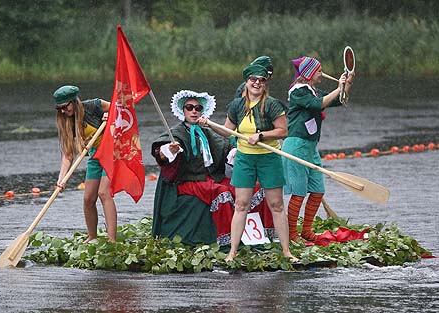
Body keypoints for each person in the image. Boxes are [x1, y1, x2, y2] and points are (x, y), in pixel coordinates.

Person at [151, 90, 275, 247]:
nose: (194, 111)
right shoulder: (176, 133)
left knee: (255, 187)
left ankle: (264, 236)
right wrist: (169, 150)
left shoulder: (207, 131)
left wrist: (238, 152)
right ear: (183, 110)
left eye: (198, 108)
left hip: (212, 177)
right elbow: (160, 154)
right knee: (221, 193)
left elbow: (226, 148)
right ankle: (227, 242)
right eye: (189, 107)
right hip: (189, 180)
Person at [202, 65, 297, 262]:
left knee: (276, 204)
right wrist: (210, 125)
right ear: (247, 82)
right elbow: (227, 132)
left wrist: (261, 136)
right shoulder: (237, 106)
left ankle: (287, 251)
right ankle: (232, 252)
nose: (257, 83)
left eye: (261, 80)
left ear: (265, 84)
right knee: (241, 204)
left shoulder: (272, 105)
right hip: (245, 159)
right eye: (253, 79)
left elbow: (283, 131)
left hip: (268, 158)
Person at [283, 56, 354, 242]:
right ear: (308, 73)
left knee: (317, 190)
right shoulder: (298, 92)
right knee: (298, 193)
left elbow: (338, 100)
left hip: (310, 147)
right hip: (296, 145)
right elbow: (319, 104)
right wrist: (338, 87)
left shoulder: (312, 90)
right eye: (319, 71)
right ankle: (292, 235)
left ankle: (306, 231)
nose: (322, 74)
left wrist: (346, 86)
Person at [53, 85, 117, 243]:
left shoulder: (94, 105)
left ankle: (112, 240)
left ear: (74, 102)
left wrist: (110, 117)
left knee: (104, 193)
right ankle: (92, 236)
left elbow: (119, 109)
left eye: (65, 106)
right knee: (88, 198)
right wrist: (62, 179)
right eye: (59, 108)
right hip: (96, 155)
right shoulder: (67, 122)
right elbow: (68, 154)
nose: (62, 111)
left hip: (113, 151)